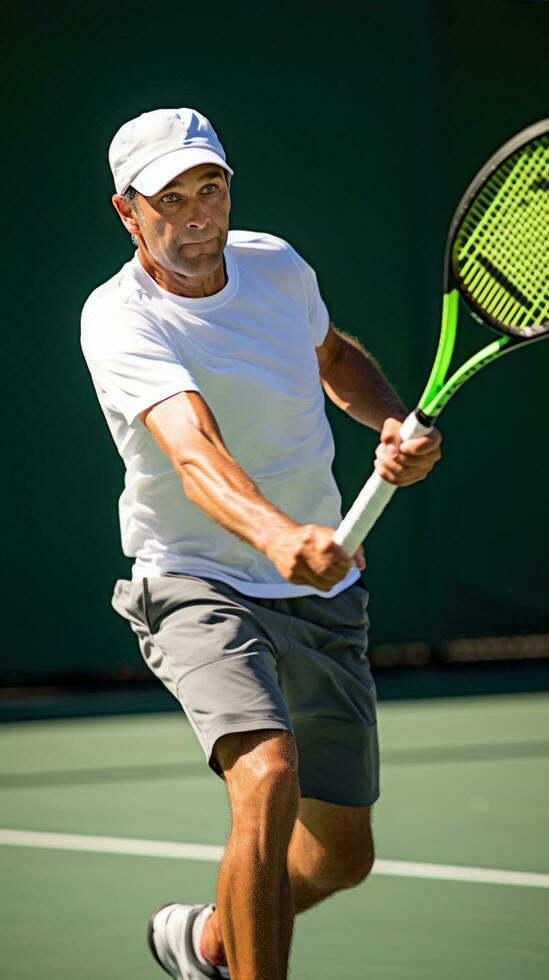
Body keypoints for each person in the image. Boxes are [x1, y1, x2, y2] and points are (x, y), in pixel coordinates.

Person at [81, 106, 441, 980]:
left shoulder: (275, 265)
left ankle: (207, 942)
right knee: (267, 773)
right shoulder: (119, 318)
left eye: (211, 188)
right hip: (194, 579)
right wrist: (279, 536)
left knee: (340, 856)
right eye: (172, 198)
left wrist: (392, 418)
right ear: (129, 212)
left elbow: (331, 359)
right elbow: (194, 451)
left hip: (319, 595)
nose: (199, 213)